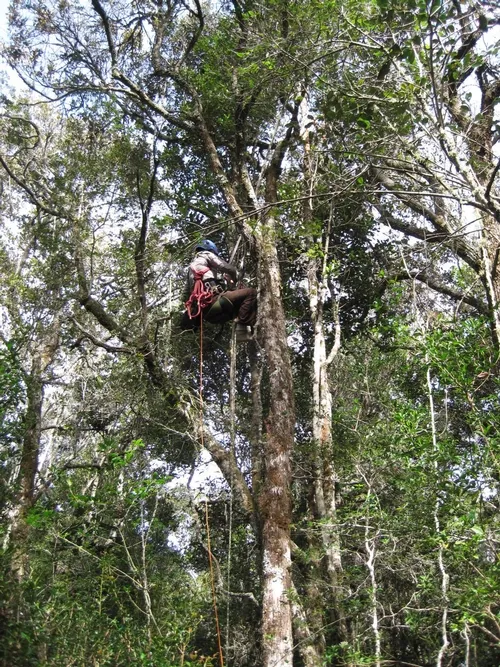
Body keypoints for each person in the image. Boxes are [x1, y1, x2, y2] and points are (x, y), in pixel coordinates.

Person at [181, 239, 257, 342]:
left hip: (207, 314)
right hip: (214, 301)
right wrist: (234, 279)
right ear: (212, 250)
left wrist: (227, 283)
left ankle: (243, 329)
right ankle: (242, 328)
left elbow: (185, 295)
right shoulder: (206, 254)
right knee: (251, 293)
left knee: (238, 302)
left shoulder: (190, 270)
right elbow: (229, 268)